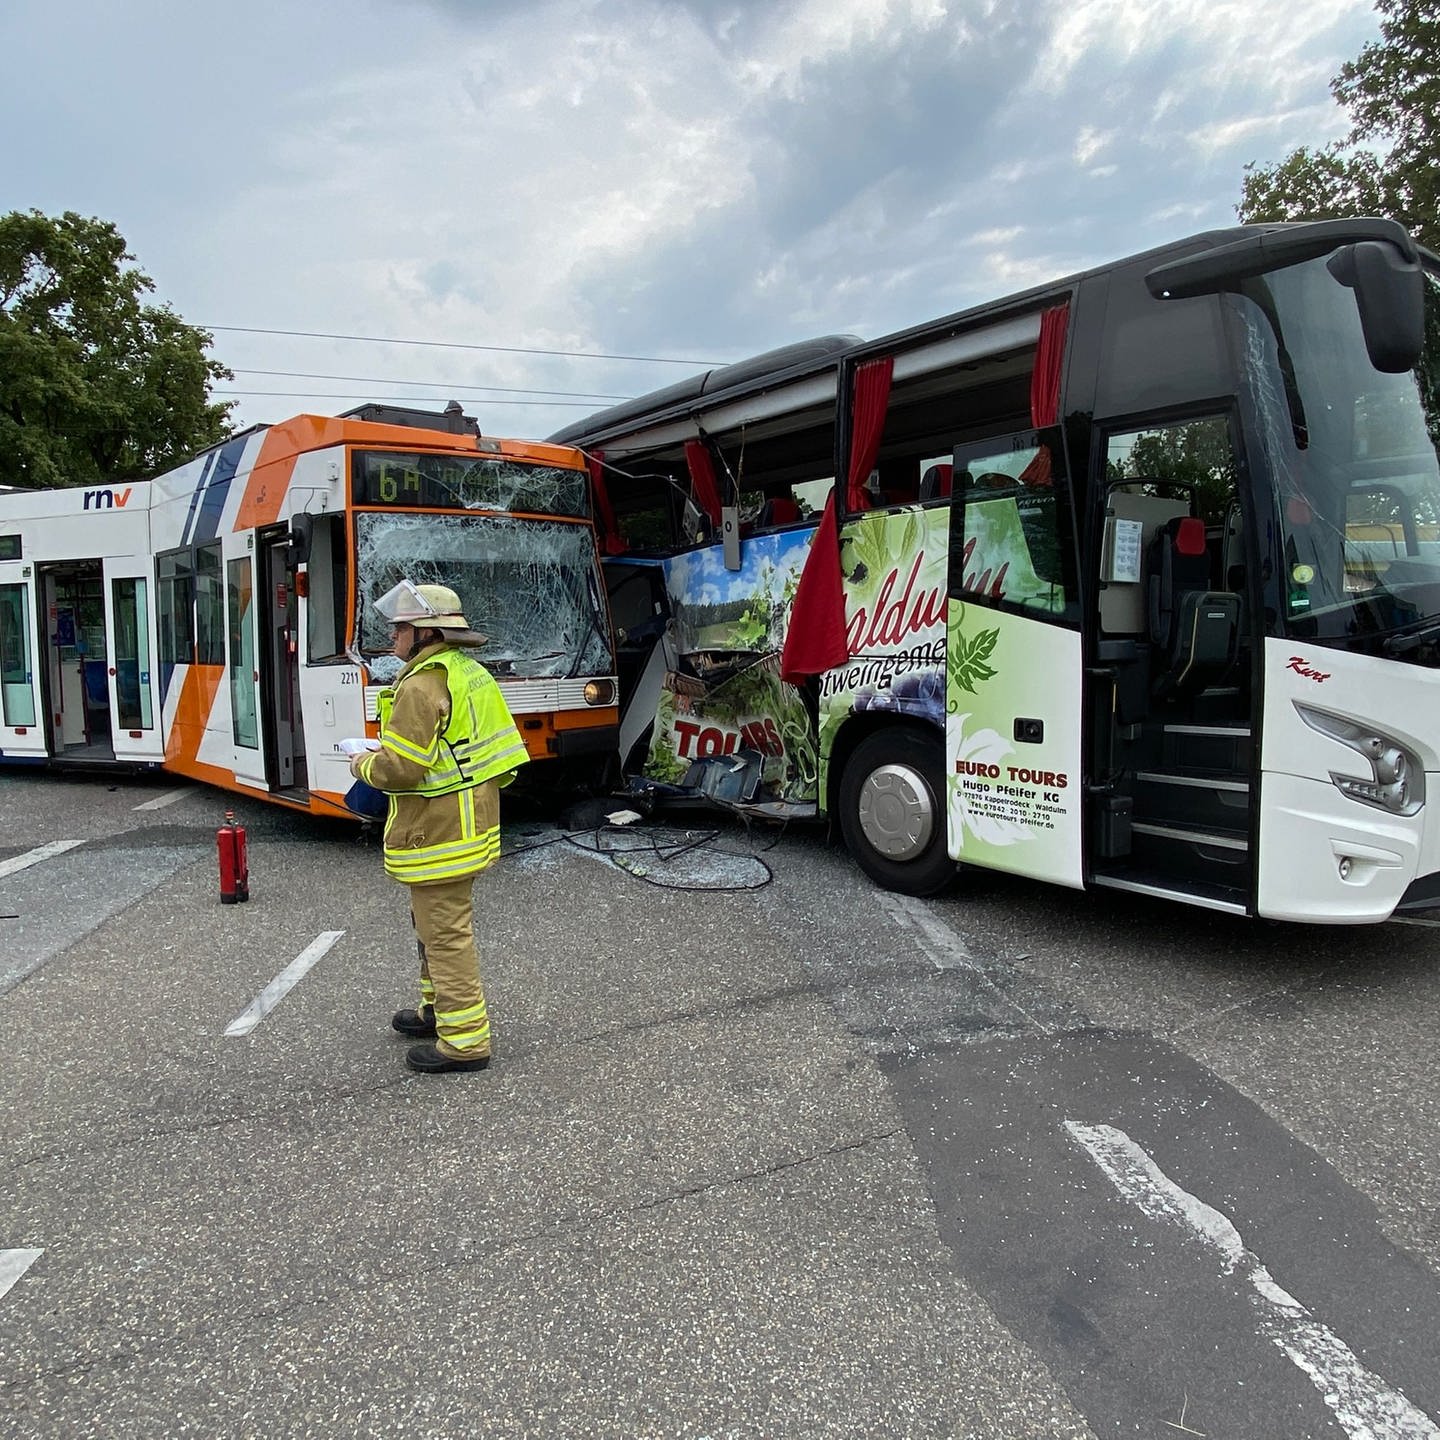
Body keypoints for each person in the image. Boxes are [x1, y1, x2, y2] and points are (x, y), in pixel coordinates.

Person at [349, 579, 528, 1074]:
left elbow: (402, 769)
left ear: (425, 633)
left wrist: (361, 764)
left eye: (400, 627)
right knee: (431, 925)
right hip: (469, 820)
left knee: (445, 934)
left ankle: (465, 1042)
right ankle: (438, 1012)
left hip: (439, 829)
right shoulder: (465, 670)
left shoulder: (423, 684)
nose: (393, 636)